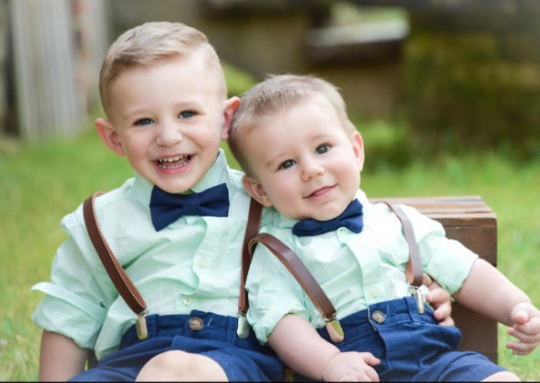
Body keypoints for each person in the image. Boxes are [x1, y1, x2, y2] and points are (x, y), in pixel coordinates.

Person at [31, 22, 453, 382]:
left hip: (235, 362)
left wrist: (412, 292)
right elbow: (71, 315)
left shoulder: (276, 196)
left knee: (178, 370)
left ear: (226, 119)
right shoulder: (98, 223)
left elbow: (346, 247)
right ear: (113, 137)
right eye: (144, 121)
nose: (168, 136)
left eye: (187, 114)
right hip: (128, 363)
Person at [227, 74, 540, 381]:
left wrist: (517, 307)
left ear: (356, 151)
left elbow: (465, 270)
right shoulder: (274, 254)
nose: (311, 170)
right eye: (286, 164)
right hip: (352, 370)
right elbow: (283, 325)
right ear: (261, 191)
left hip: (435, 364)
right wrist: (329, 364)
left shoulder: (398, 222)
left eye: (323, 148)